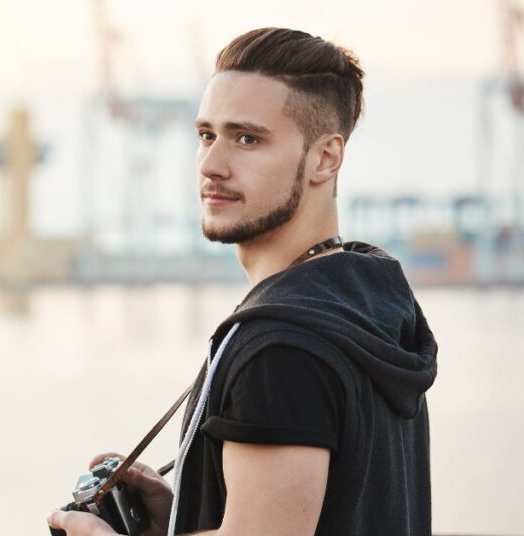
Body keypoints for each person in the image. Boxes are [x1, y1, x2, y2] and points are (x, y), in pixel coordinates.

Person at [48, 27, 438, 536]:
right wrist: (187, 512)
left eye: (247, 139)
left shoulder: (281, 348)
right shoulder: (365, 306)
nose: (212, 165)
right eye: (206, 135)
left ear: (325, 158)